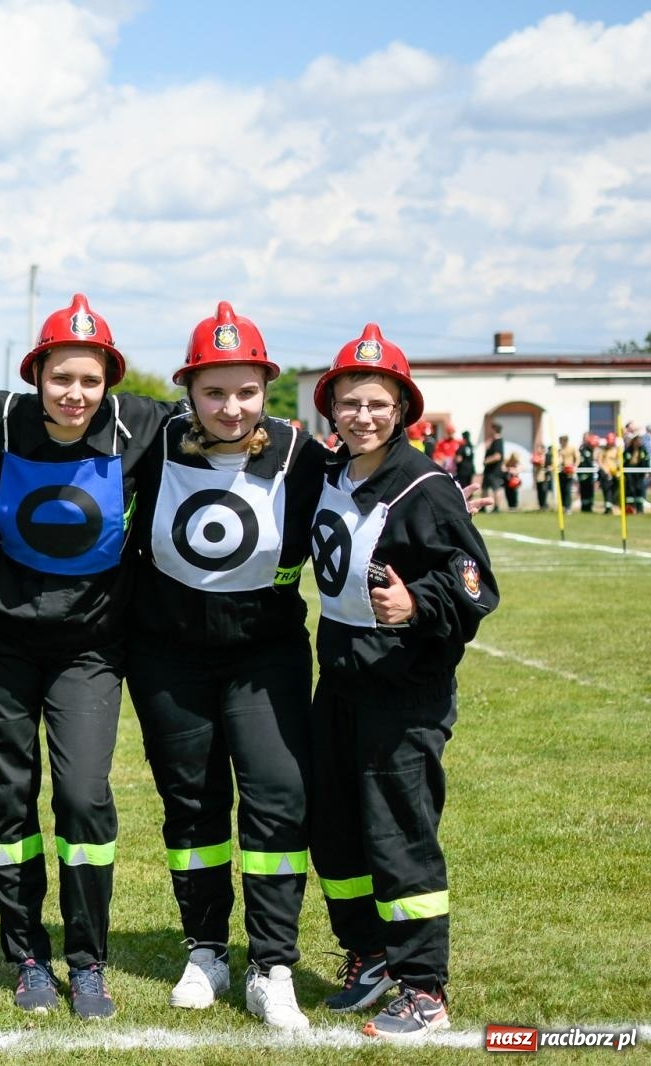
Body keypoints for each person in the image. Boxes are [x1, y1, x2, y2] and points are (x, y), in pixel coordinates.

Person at [0, 294, 175, 1019]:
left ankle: (87, 960)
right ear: (37, 376)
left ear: (109, 380)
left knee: (83, 796)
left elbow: (224, 424)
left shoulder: (139, 424)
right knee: (2, 799)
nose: (75, 394)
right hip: (3, 646)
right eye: (61, 378)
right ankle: (26, 952)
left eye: (89, 379)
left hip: (90, 649)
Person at [127, 302, 328, 1030]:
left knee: (277, 797)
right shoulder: (150, 442)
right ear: (189, 391)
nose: (231, 407)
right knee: (193, 805)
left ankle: (272, 964)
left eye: (246, 391)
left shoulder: (304, 454)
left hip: (263, 656)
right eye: (214, 391)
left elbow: (375, 494)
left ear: (266, 390)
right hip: (166, 656)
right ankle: (207, 948)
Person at [306, 324, 499, 1040]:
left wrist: (420, 604)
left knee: (398, 836)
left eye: (377, 404)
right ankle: (371, 954)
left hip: (405, 691)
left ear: (401, 409)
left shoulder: (425, 486)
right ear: (332, 408)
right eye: (350, 402)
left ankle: (424, 987)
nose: (362, 415)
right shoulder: (334, 471)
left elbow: (476, 585)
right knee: (335, 827)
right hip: (343, 682)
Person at [623, 423, 648, 514]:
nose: (638, 442)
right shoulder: (628, 450)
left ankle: (640, 509)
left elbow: (645, 460)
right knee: (630, 489)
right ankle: (630, 508)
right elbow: (625, 460)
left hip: (639, 471)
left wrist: (645, 471)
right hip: (630, 471)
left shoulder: (643, 450)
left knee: (639, 489)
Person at [480, 424, 506, 510]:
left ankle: (496, 507)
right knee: (485, 488)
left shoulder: (498, 441)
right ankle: (483, 507)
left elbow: (497, 456)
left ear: (494, 430)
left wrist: (486, 461)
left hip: (494, 470)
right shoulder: (494, 441)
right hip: (489, 470)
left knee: (496, 488)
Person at [598, 432, 622, 514]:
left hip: (615, 473)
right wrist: (606, 471)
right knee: (607, 490)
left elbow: (619, 461)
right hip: (605, 474)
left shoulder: (617, 450)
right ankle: (608, 508)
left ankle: (614, 505)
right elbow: (600, 461)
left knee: (615, 490)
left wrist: (617, 471)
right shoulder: (603, 450)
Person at [556, 435, 579, 512]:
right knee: (561, 489)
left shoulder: (572, 448)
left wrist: (575, 466)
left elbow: (578, 458)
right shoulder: (559, 449)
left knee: (567, 489)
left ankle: (568, 507)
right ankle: (563, 505)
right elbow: (559, 459)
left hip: (569, 471)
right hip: (561, 470)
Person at [579, 434, 598, 512]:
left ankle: (589, 507)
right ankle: (584, 507)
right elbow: (586, 462)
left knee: (590, 491)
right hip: (584, 474)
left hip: (590, 475)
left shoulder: (591, 450)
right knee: (584, 491)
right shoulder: (583, 449)